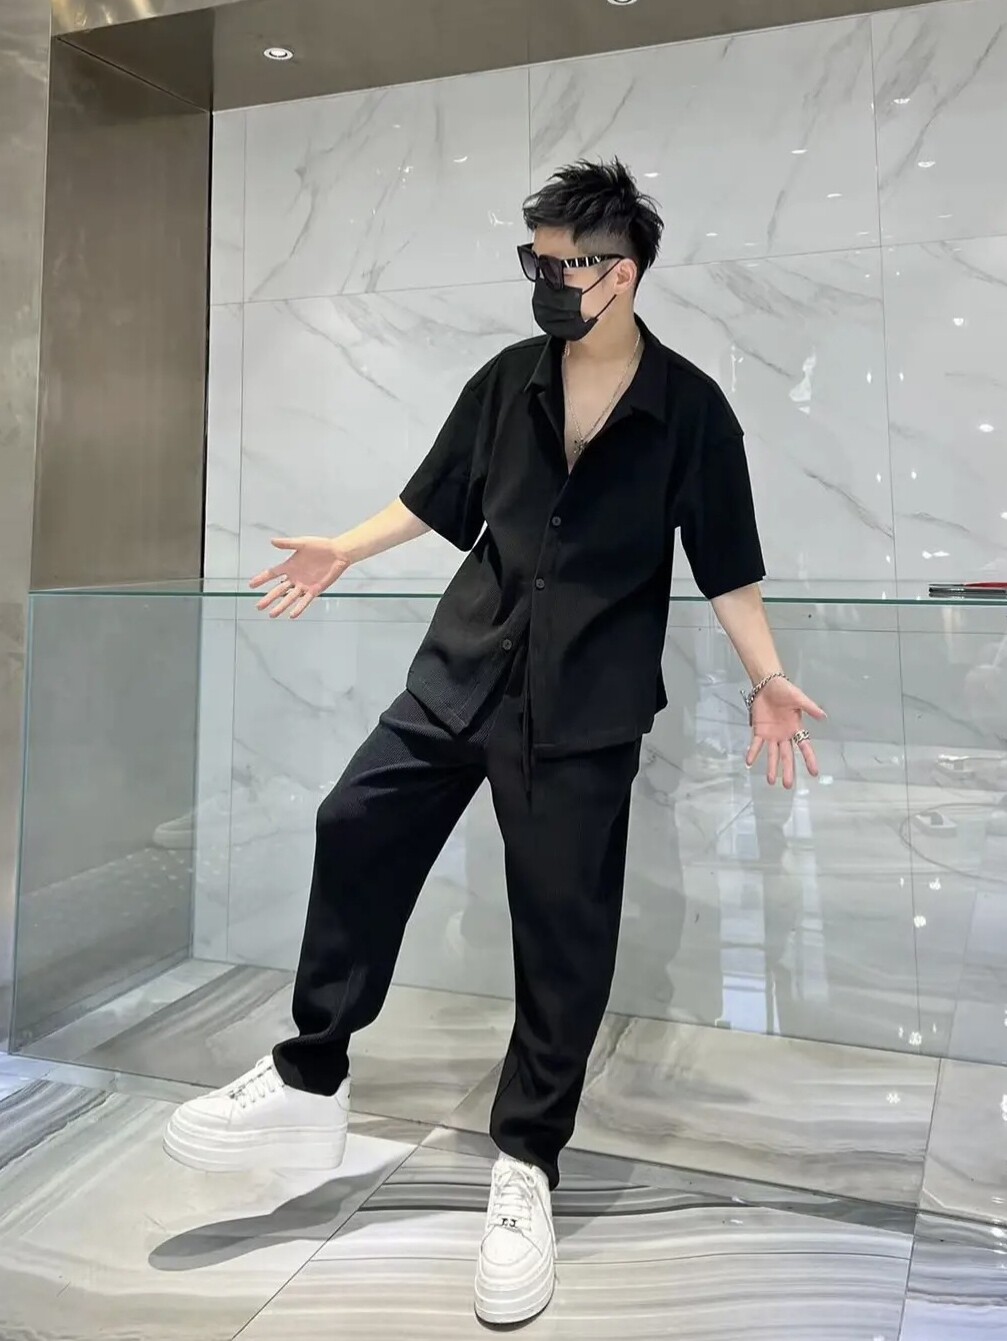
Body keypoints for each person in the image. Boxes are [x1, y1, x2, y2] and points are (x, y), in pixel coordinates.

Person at [164, 159, 824, 1325]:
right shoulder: (505, 379)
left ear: (620, 274)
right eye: (533, 259)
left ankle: (525, 1162)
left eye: (561, 263)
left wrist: (767, 677)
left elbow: (727, 565)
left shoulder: (689, 410)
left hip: (583, 707)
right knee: (353, 821)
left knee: (561, 931)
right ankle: (311, 1076)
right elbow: (433, 499)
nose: (541, 280)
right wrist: (341, 549)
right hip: (462, 670)